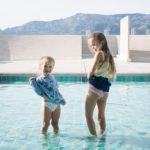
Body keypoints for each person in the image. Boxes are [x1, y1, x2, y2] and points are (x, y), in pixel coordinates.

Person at [85, 32, 116, 136]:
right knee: (101, 116)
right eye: (91, 45)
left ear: (102, 42)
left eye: (94, 44)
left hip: (95, 88)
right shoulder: (108, 55)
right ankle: (102, 135)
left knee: (88, 116)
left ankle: (93, 139)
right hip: (105, 90)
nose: (93, 47)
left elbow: (91, 71)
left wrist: (88, 76)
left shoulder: (99, 53)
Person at [29, 56, 66, 134]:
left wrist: (61, 97)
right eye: (45, 66)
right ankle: (44, 141)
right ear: (40, 66)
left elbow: (56, 89)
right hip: (47, 105)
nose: (47, 68)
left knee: (55, 124)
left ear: (53, 68)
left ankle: (56, 141)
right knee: (45, 125)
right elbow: (37, 90)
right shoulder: (39, 80)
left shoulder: (52, 77)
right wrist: (42, 95)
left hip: (56, 104)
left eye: (50, 67)